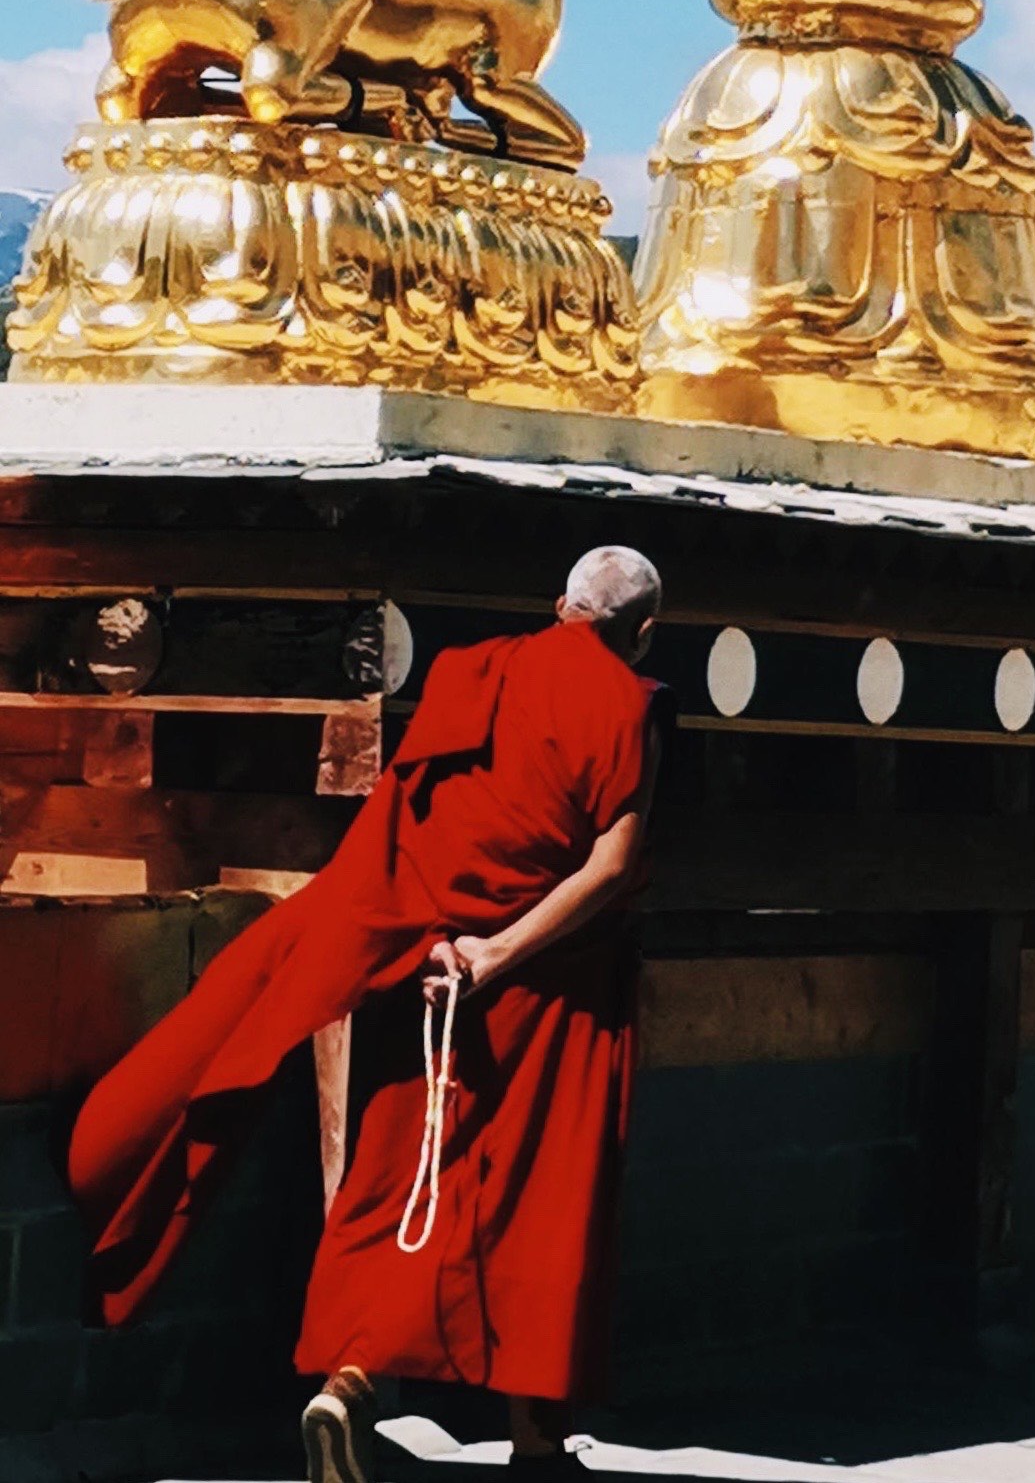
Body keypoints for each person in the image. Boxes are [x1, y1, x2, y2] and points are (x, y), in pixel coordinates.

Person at [69, 544, 666, 1483]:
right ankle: (537, 1444)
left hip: (421, 967)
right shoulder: (627, 703)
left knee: (400, 1178)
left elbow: (403, 831)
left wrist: (438, 940)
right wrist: (499, 953)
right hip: (545, 993)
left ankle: (345, 1384)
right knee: (535, 1208)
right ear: (642, 632)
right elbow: (613, 863)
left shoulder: (474, 673)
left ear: (559, 604)